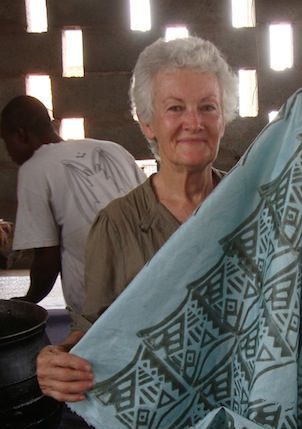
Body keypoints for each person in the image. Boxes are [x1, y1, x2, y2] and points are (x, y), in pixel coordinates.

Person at [35, 36, 239, 403]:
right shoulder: (116, 226)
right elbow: (92, 337)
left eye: (208, 107)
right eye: (175, 108)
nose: (193, 122)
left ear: (223, 119)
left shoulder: (250, 209)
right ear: (147, 123)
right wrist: (57, 362)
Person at [0, 95, 147, 315]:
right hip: (150, 292)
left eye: (5, 141)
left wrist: (28, 301)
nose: (8, 152)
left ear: (20, 134)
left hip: (100, 314)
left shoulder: (34, 169)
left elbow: (46, 259)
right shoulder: (112, 149)